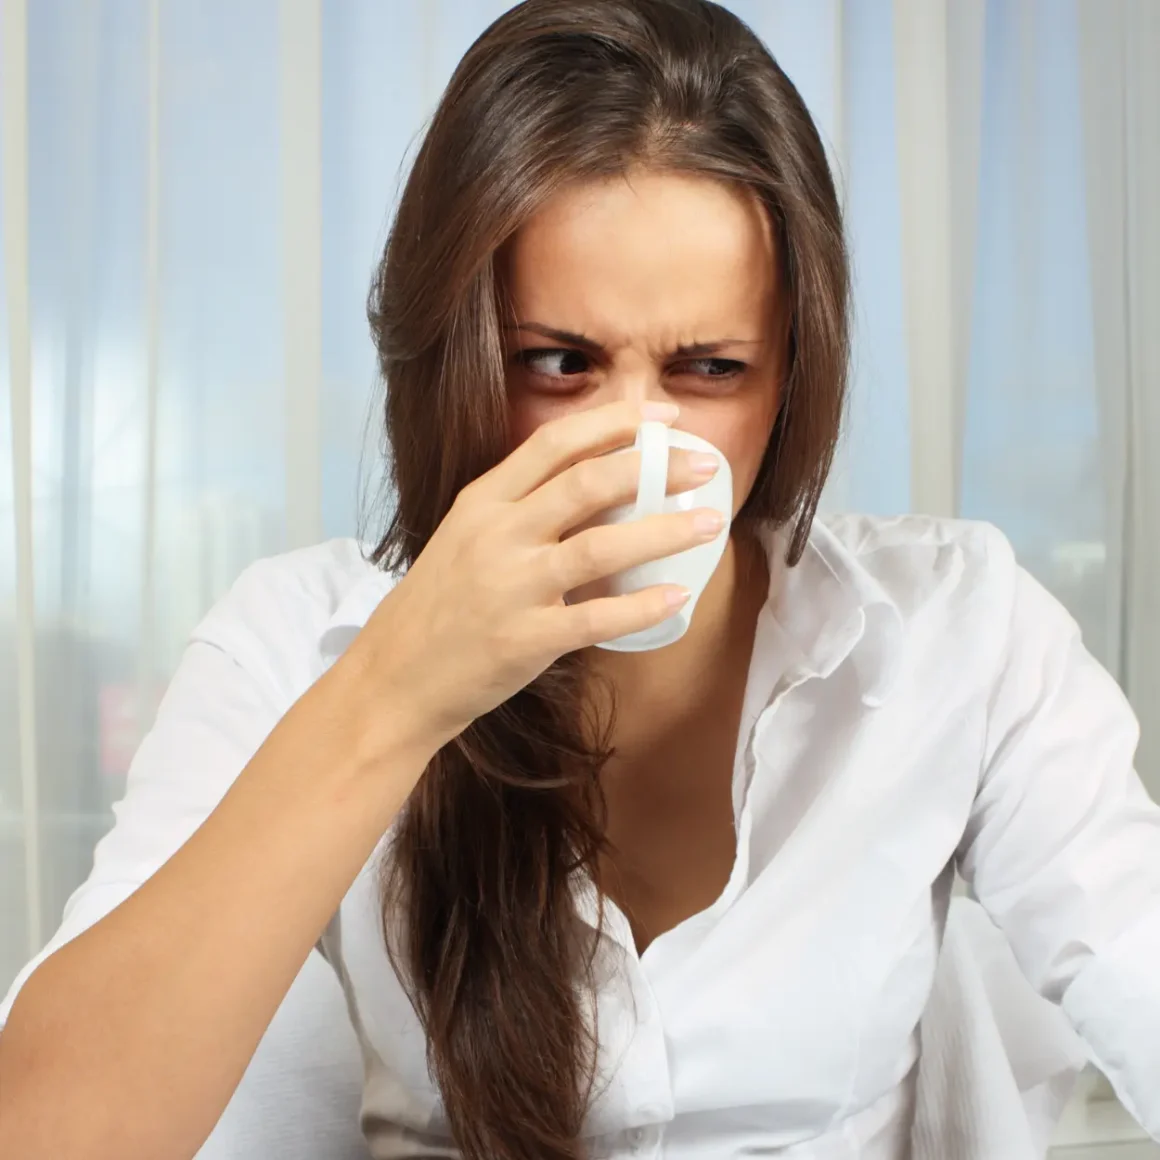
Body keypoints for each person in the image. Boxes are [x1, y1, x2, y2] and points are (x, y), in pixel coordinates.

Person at [1, 1, 1158, 1157]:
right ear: (449, 355)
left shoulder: (955, 633)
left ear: (789, 381)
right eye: (557, 363)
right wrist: (398, 690)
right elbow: (51, 1131)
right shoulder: (291, 641)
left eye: (707, 368)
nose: (629, 443)